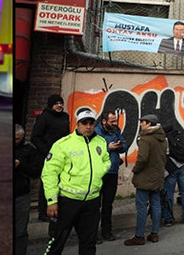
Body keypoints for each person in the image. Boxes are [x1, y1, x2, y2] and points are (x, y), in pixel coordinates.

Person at [41, 109, 110, 255]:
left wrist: (100, 170)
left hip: (92, 201)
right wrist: (51, 200)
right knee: (57, 242)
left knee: (89, 244)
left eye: (91, 123)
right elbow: (49, 173)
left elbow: (106, 160)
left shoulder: (101, 142)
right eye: (84, 123)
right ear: (77, 124)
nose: (88, 126)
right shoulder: (63, 144)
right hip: (68, 201)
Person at [124, 114, 166, 245]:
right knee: (156, 205)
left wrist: (135, 170)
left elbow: (142, 159)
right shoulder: (162, 138)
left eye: (143, 122)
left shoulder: (146, 138)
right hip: (157, 176)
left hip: (145, 178)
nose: (141, 124)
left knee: (141, 206)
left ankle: (139, 236)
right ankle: (154, 234)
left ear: (148, 124)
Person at [31, 93, 70, 222]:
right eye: (56, 103)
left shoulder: (65, 117)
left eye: (61, 103)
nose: (59, 106)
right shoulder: (44, 117)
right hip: (46, 156)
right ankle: (43, 212)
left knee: (60, 183)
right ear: (51, 105)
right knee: (47, 185)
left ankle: (56, 210)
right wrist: (48, 152)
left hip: (62, 157)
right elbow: (35, 137)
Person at [94, 110, 126, 242]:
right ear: (104, 121)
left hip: (112, 171)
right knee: (95, 205)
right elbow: (93, 150)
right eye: (112, 121)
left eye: (115, 121)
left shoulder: (116, 131)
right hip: (99, 173)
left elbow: (124, 146)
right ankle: (92, 233)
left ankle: (107, 231)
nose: (114, 123)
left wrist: (119, 146)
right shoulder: (96, 132)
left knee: (108, 204)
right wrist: (107, 147)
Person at [15, 124, 41, 255]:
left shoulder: (29, 150)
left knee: (20, 231)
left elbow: (36, 171)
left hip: (21, 195)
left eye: (17, 139)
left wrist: (20, 165)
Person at [161, 123, 184, 226]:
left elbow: (164, 155)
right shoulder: (180, 135)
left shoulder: (165, 140)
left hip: (172, 169)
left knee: (169, 194)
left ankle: (168, 219)